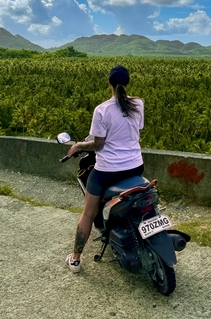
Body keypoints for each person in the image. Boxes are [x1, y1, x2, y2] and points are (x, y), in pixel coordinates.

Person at [65, 65, 144, 273]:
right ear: (127, 83)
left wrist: (77, 146)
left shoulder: (102, 110)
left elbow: (98, 144)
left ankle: (75, 259)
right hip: (135, 166)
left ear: (109, 83)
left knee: (88, 213)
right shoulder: (138, 104)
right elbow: (134, 130)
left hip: (107, 171)